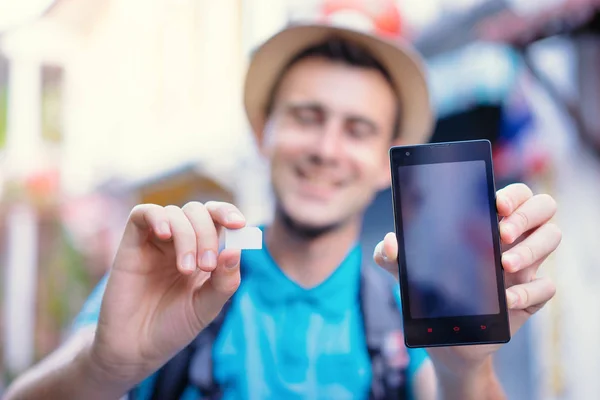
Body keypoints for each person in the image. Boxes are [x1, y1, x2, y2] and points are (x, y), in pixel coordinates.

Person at [5, 21, 561, 400]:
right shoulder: (178, 275)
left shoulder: (408, 305)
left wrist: (467, 369)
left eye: (358, 130)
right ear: (261, 132)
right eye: (306, 116)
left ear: (383, 165)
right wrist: (102, 371)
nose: (326, 148)